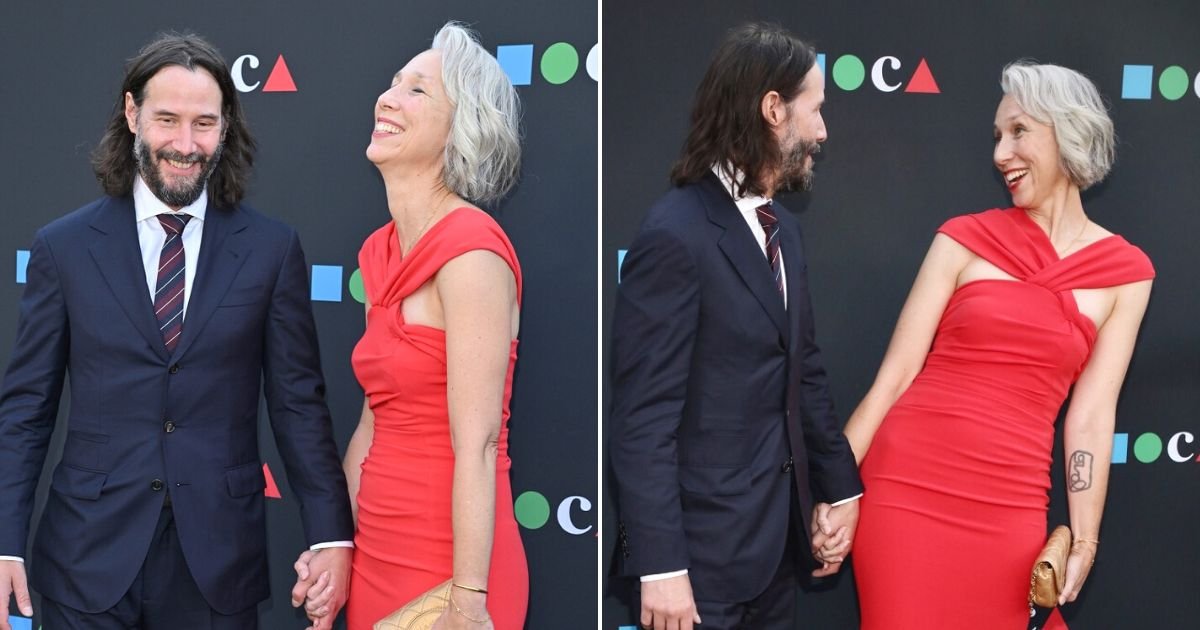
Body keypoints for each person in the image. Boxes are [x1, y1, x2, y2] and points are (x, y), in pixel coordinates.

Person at [0, 33, 355, 630]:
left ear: (226, 128)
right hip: (86, 557)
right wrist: (5, 541)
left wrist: (331, 535)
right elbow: (27, 409)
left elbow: (298, 404)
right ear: (133, 113)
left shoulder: (270, 250)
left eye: (204, 124)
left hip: (217, 564)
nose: (185, 145)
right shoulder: (63, 248)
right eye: (167, 120)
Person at [846, 61, 1154, 629]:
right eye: (996, 137)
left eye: (1017, 131)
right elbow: (896, 374)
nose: (1000, 153)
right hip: (906, 490)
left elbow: (1089, 414)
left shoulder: (1126, 272)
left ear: (1066, 131)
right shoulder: (963, 237)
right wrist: (839, 490)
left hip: (1012, 507)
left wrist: (1084, 538)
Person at [608, 23, 864, 630]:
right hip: (696, 572)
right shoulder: (676, 234)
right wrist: (661, 566)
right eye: (816, 110)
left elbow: (804, 372)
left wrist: (841, 490)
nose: (824, 132)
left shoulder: (785, 231)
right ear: (773, 109)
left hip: (774, 551)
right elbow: (642, 418)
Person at [295, 21, 528, 630]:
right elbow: (374, 420)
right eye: (394, 83)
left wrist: (469, 601)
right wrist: (336, 545)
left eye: (418, 91)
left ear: (462, 126)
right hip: (375, 555)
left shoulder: (472, 252)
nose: (388, 97)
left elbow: (478, 443)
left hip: (454, 568)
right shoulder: (380, 252)